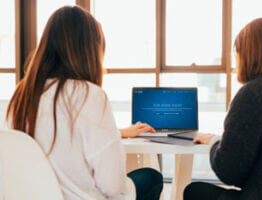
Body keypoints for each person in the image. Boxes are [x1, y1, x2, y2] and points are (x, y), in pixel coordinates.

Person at [6, 6, 162, 200]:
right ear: (89, 50)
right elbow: (112, 186)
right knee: (150, 178)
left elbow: (60, 137)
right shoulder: (90, 95)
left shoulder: (21, 97)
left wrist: (119, 132)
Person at [184, 18, 262, 200]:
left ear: (246, 54)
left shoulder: (253, 93)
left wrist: (215, 142)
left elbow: (229, 172)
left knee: (193, 191)